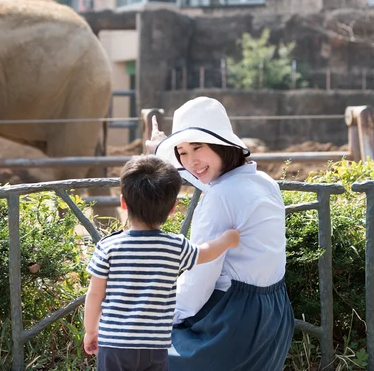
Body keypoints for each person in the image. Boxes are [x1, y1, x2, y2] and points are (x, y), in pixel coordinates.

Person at [146, 96, 295, 370]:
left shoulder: (220, 197)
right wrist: (159, 151)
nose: (190, 161)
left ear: (220, 145)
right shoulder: (262, 182)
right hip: (274, 316)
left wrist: (164, 317)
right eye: (182, 152)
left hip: (231, 322)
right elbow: (214, 181)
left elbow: (199, 276)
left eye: (197, 147)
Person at [83, 154, 241, 371]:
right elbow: (205, 253)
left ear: (123, 203)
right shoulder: (175, 246)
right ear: (173, 208)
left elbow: (95, 294)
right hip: (154, 346)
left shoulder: (108, 247)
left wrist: (91, 331)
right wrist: (226, 240)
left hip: (114, 344)